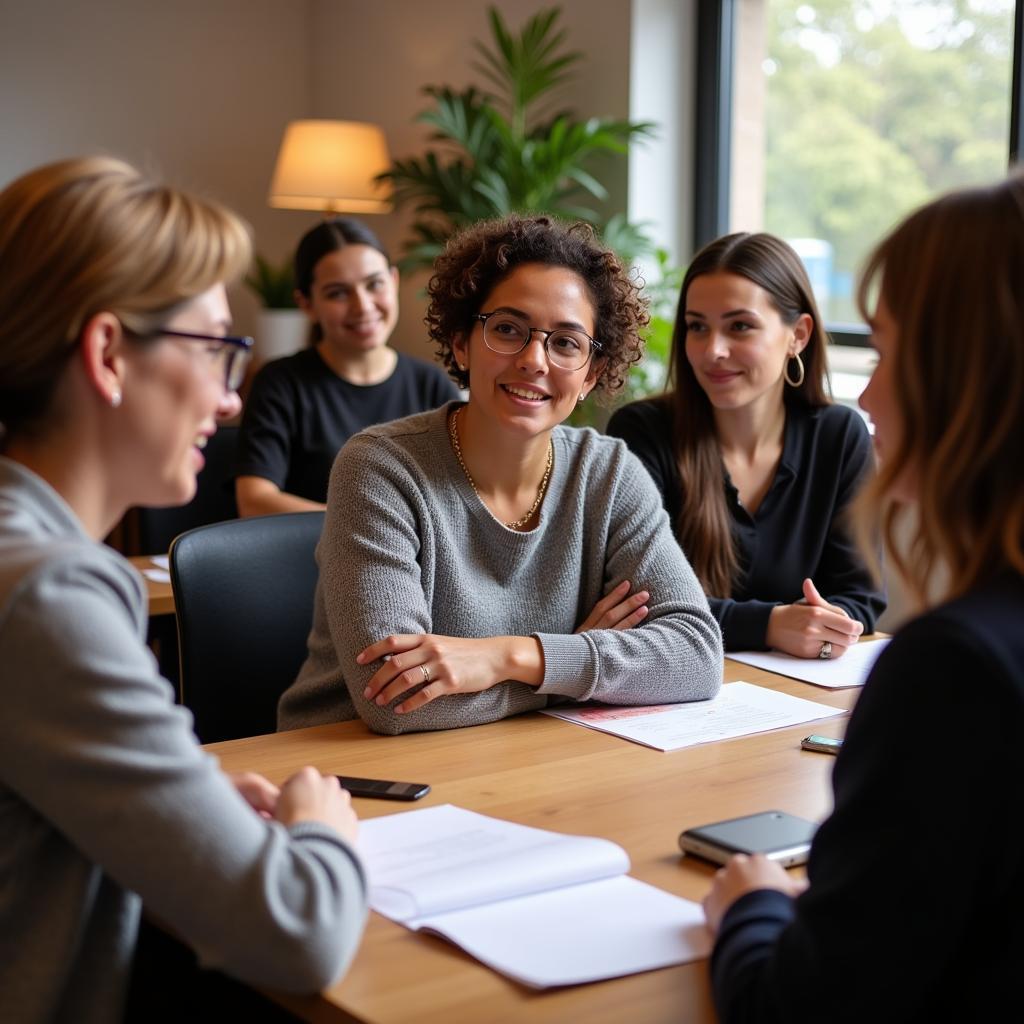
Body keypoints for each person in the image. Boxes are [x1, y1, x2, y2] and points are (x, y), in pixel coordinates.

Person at [0, 157, 367, 1020]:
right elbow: (298, 929)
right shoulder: (47, 597)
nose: (231, 402)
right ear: (107, 355)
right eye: (215, 350)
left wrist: (178, 792)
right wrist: (322, 826)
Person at [702, 175, 1024, 1021]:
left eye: (890, 352)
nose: (872, 397)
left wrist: (751, 907)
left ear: (975, 375)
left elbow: (803, 1006)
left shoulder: (957, 670)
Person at [278, 215, 724, 734]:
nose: (535, 360)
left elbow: (696, 654)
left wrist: (513, 658)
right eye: (508, 330)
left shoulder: (611, 473)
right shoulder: (380, 468)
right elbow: (394, 698)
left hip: (518, 761)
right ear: (462, 343)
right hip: (349, 767)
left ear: (591, 376)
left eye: (566, 343)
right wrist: (580, 663)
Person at [607, 233, 885, 657]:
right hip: (669, 691)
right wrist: (771, 626)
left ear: (799, 335)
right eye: (697, 326)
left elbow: (860, 597)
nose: (713, 350)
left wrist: (821, 625)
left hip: (800, 691)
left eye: (740, 326)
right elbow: (637, 601)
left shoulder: (839, 437)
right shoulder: (642, 432)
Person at [235, 217, 460, 515]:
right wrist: (365, 524)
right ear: (307, 305)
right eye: (338, 293)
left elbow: (461, 495)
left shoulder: (431, 384)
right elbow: (254, 501)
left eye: (374, 284)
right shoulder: (280, 383)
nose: (363, 306)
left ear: (393, 282)